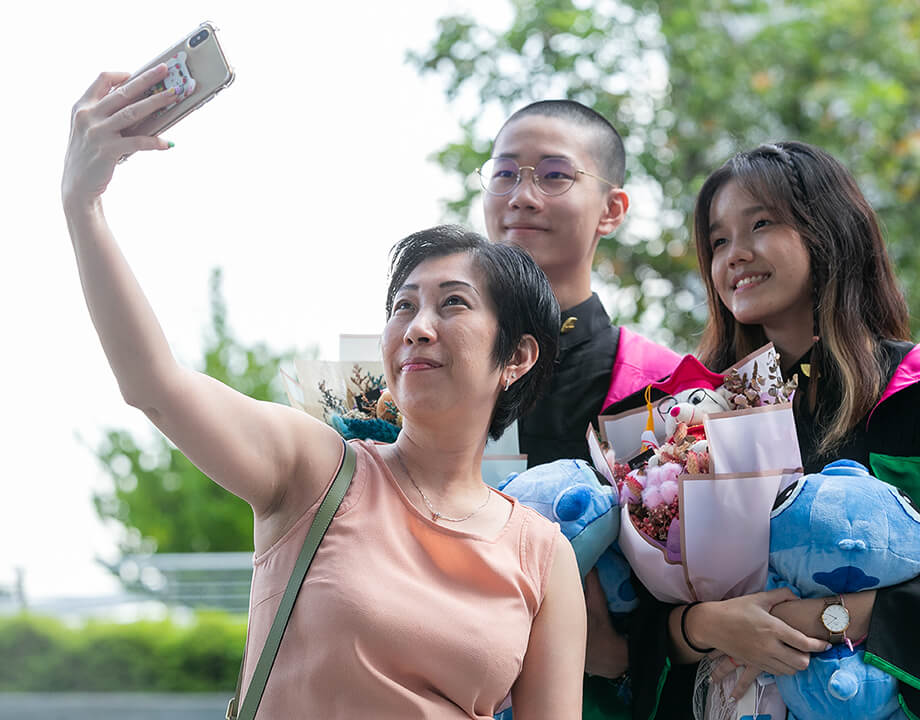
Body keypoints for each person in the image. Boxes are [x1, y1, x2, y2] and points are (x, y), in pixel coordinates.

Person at [62, 65, 586, 720]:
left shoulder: (542, 554)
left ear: (516, 356)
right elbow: (154, 385)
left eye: (452, 304)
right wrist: (84, 206)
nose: (418, 328)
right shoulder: (319, 470)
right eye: (403, 306)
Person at [629, 140, 920, 719]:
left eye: (760, 224)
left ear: (829, 231)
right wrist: (703, 625)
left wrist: (821, 619)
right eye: (718, 241)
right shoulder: (695, 416)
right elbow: (635, 623)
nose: (734, 255)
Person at [479, 100, 682, 715]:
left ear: (612, 210)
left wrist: (625, 650)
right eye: (505, 173)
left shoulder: (662, 387)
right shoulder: (440, 365)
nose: (522, 195)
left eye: (554, 175)